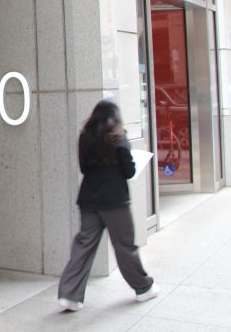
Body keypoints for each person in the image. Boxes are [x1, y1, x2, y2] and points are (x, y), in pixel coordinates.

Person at [57, 99, 159, 311]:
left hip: (89, 199)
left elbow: (84, 168)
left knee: (83, 246)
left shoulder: (85, 137)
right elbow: (129, 170)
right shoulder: (119, 138)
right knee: (124, 246)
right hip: (114, 201)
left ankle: (70, 294)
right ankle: (142, 287)